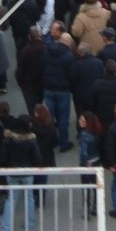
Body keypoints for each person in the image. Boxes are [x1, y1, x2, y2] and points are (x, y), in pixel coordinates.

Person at [0, 113, 43, 231]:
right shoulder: (31, 140)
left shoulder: (8, 138)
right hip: (27, 171)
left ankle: (6, 228)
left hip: (12, 171)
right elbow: (38, 157)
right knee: (29, 197)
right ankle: (29, 223)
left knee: (11, 198)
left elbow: (2, 156)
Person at [42, 24, 75, 152]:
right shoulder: (68, 56)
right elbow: (72, 74)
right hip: (63, 90)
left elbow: (42, 66)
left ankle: (51, 141)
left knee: (50, 117)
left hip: (48, 88)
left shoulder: (47, 51)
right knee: (63, 117)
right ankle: (64, 143)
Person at [78, 112, 104, 217]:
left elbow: (83, 151)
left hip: (87, 163)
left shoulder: (84, 135)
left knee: (86, 186)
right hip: (96, 160)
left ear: (87, 122)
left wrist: (85, 162)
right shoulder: (96, 132)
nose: (79, 121)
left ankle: (86, 210)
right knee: (95, 186)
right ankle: (96, 207)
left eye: (82, 120)